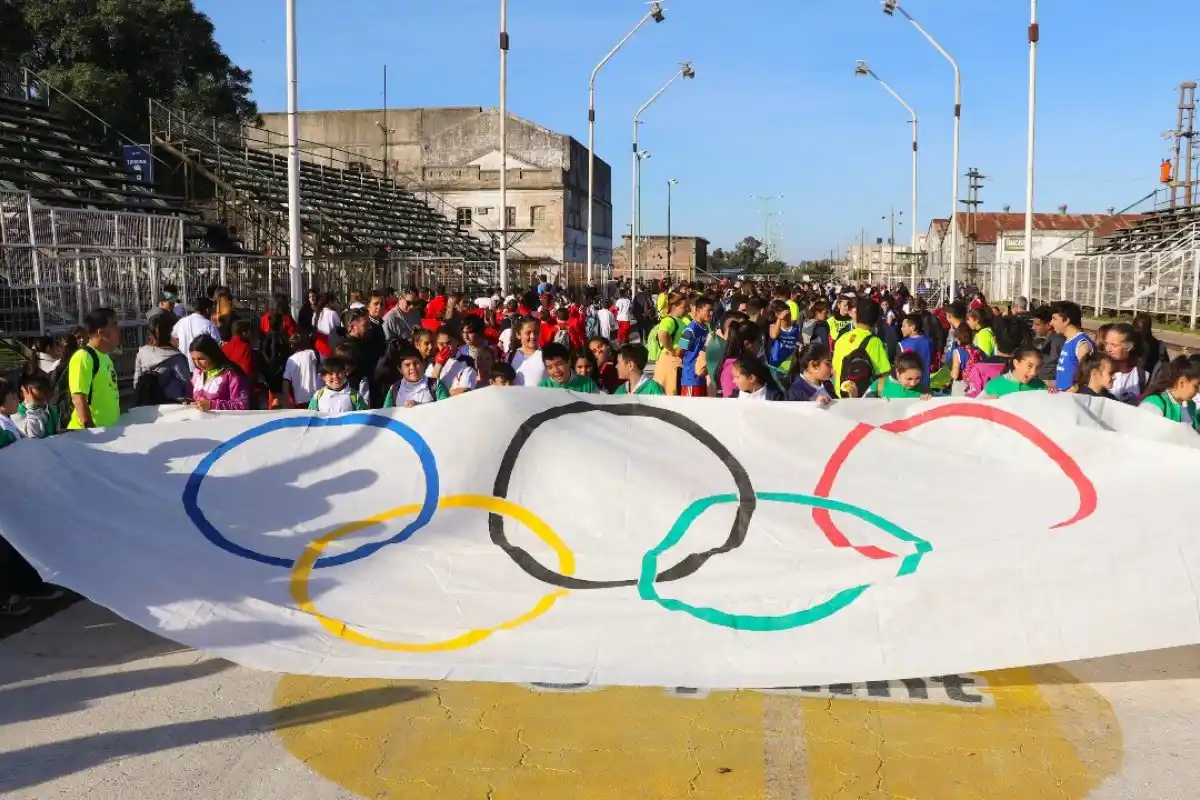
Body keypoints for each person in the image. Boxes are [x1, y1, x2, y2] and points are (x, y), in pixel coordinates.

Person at [67, 308, 121, 430]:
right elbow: (78, 398)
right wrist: (91, 431)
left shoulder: (105, 356)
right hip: (92, 437)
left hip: (109, 433)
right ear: (101, 332)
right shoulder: (83, 357)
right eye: (114, 324)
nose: (118, 329)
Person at [832, 297, 891, 398]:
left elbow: (835, 370)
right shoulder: (874, 342)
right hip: (861, 399)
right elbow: (884, 375)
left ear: (857, 316)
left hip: (840, 395)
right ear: (876, 319)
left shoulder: (842, 338)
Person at [133, 312, 192, 406]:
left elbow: (137, 380)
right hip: (172, 403)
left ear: (149, 333)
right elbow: (186, 382)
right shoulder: (176, 357)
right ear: (169, 333)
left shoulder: (142, 352)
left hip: (147, 401)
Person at [187, 334, 250, 412]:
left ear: (212, 355)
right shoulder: (198, 373)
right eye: (193, 359)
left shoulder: (231, 374)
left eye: (201, 359)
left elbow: (242, 405)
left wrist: (212, 405)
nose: (197, 364)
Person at [1139, 354, 1200, 430]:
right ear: (1182, 382)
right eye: (1196, 386)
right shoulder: (1155, 404)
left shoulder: (1191, 406)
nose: (1197, 392)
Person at [1049, 300, 1093, 392]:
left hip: (1072, 400)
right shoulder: (1069, 340)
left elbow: (1086, 378)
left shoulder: (1082, 345)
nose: (1051, 323)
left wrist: (1066, 395)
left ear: (1066, 321)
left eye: (1054, 319)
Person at [383, 347, 450, 407]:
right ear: (400, 369)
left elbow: (446, 408)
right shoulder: (395, 389)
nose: (412, 368)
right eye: (407, 365)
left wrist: (419, 406)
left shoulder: (435, 385)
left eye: (416, 363)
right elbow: (385, 415)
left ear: (423, 364)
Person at [1102, 322, 1147, 404]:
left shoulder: (1142, 375)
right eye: (1106, 343)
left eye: (1114, 345)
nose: (1108, 349)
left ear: (1129, 347)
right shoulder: (1100, 370)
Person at [677, 296, 714, 397]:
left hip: (702, 376)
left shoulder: (706, 328)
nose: (711, 313)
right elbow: (680, 351)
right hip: (691, 379)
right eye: (709, 310)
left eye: (712, 310)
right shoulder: (691, 330)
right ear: (698, 310)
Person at [172, 297, 222, 371]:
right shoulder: (208, 325)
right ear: (207, 310)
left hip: (182, 365)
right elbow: (218, 345)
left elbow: (173, 338)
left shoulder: (181, 322)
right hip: (200, 367)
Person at [982, 346, 1048, 398]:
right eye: (1029, 366)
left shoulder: (1040, 386)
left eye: (1038, 367)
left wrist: (1054, 395)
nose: (1034, 373)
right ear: (1016, 363)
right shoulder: (994, 386)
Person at [282, 330, 323, 408]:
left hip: (299, 400)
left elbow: (286, 380)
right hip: (316, 397)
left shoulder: (291, 360)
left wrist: (286, 400)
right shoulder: (313, 353)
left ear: (292, 346)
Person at [866, 352, 931, 399]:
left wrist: (930, 400)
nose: (913, 383)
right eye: (909, 379)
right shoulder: (880, 384)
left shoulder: (924, 390)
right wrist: (874, 401)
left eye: (918, 378)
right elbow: (863, 404)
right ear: (898, 373)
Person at [17, 372, 61, 438]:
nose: (43, 403)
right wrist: (32, 407)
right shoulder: (18, 413)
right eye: (37, 399)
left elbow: (56, 432)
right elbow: (34, 435)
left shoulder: (51, 410)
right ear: (24, 393)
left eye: (46, 398)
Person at [1030, 307, 1064, 384]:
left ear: (1048, 325)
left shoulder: (1057, 341)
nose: (1033, 327)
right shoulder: (1048, 339)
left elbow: (1051, 367)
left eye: (1037, 325)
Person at [898, 313, 933, 385]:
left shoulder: (902, 344)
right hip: (925, 383)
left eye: (903, 326)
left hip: (910, 384)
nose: (901, 328)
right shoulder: (929, 341)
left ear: (912, 327)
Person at [510, 319, 545, 386]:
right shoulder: (510, 356)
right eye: (528, 333)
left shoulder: (547, 355)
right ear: (518, 335)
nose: (533, 336)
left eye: (536, 332)